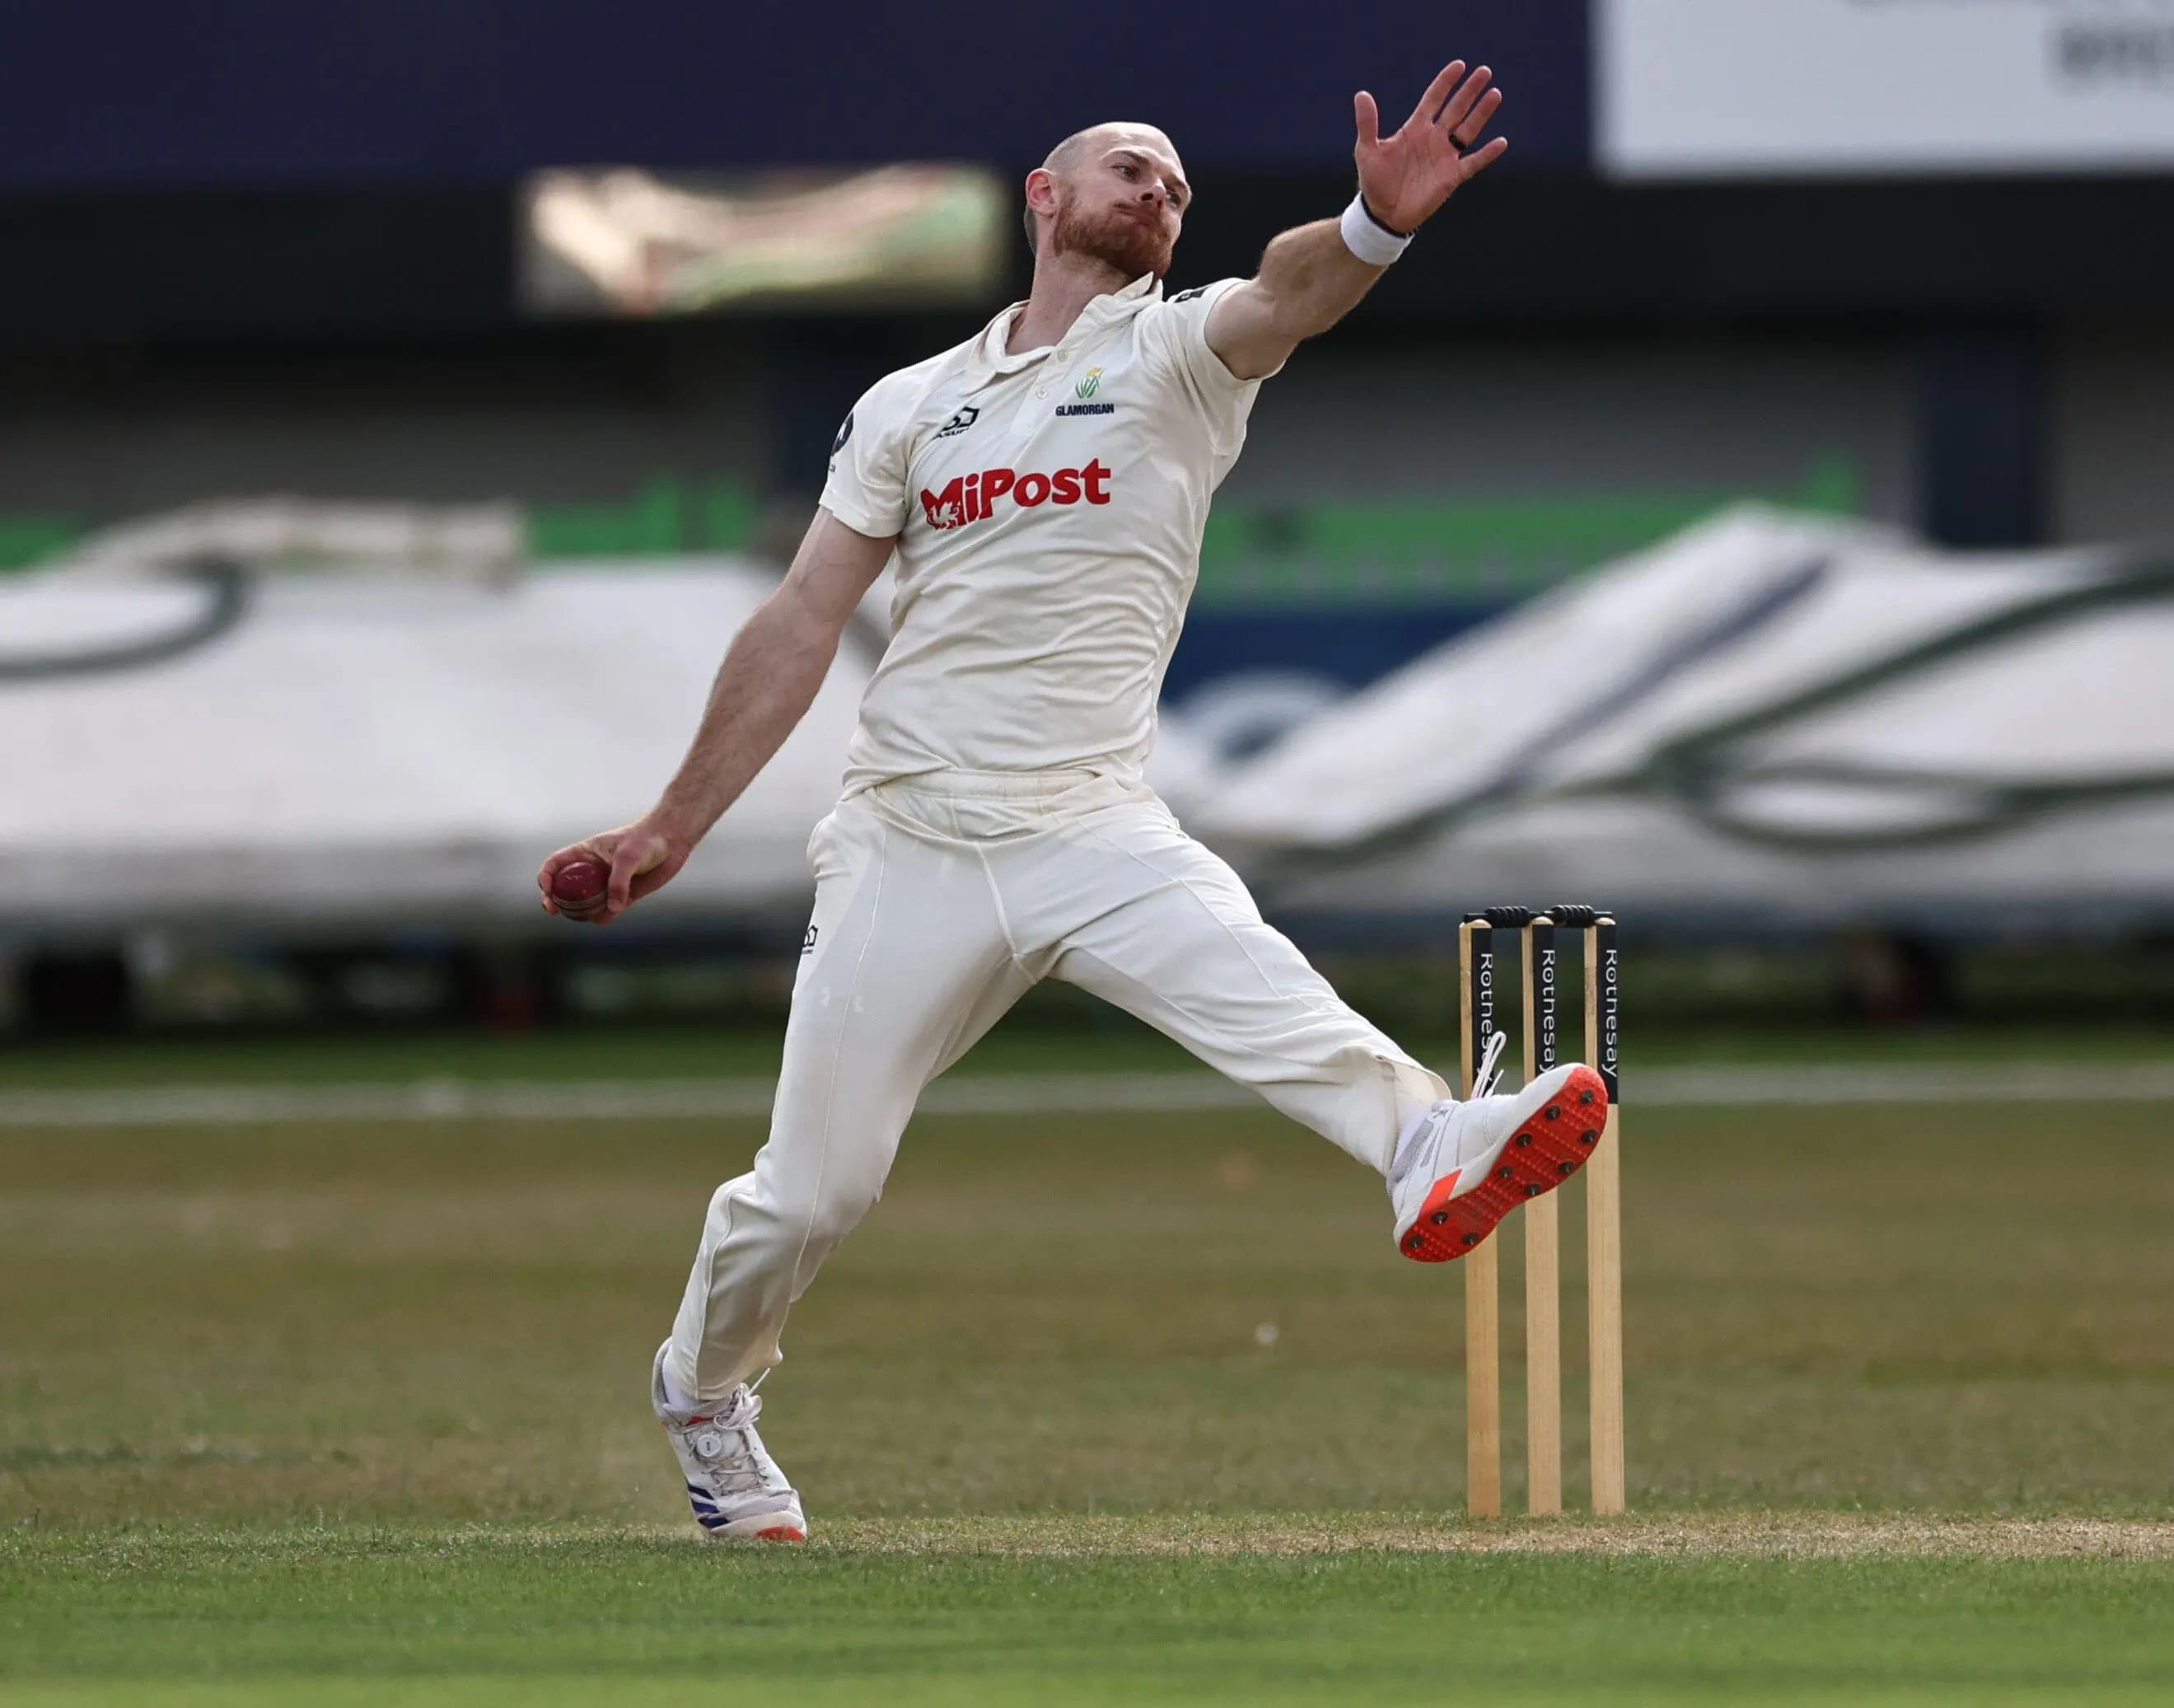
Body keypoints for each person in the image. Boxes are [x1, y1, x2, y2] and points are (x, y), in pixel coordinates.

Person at [537, 61, 1607, 1542]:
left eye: (1173, 185)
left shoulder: (1177, 356)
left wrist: (1368, 226)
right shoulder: (914, 404)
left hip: (1093, 821)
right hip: (909, 832)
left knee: (1262, 985)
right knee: (811, 1197)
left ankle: (1427, 1143)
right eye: (1128, 169)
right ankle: (705, 1395)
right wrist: (667, 828)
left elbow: (1283, 298)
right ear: (1045, 197)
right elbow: (799, 618)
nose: (1156, 192)